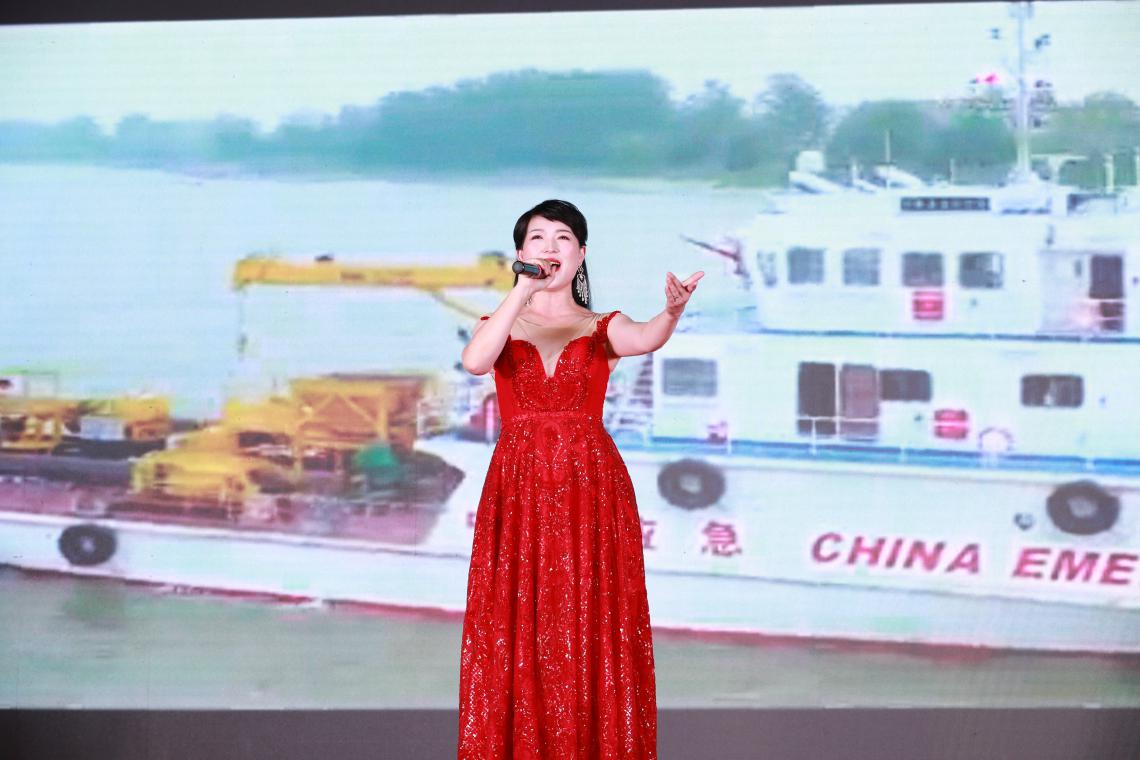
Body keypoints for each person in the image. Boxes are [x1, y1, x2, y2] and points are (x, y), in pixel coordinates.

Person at [457, 199, 703, 759]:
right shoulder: (496, 325)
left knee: (591, 614)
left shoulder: (602, 326)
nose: (550, 247)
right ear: (520, 252)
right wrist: (522, 291)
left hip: (590, 486)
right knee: (516, 616)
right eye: (537, 238)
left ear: (581, 253)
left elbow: (646, 337)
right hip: (518, 487)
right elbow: (475, 362)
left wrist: (672, 312)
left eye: (563, 238)